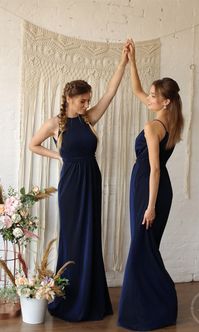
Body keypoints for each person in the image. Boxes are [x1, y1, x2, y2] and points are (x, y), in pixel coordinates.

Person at [29, 43, 128, 322]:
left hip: (91, 180)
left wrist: (123, 63)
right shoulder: (55, 124)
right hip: (71, 186)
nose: (86, 105)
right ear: (69, 99)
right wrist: (57, 154)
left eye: (88, 100)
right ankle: (70, 300)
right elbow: (33, 145)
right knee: (73, 239)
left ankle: (92, 299)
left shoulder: (89, 118)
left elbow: (110, 92)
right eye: (82, 101)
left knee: (91, 237)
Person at [118, 39, 184, 331]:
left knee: (142, 248)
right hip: (155, 188)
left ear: (165, 101)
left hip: (149, 190)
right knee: (146, 248)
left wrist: (150, 206)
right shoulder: (169, 122)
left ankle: (152, 307)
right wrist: (132, 60)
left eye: (154, 95)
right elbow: (136, 90)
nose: (149, 98)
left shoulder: (152, 127)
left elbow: (155, 169)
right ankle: (153, 304)